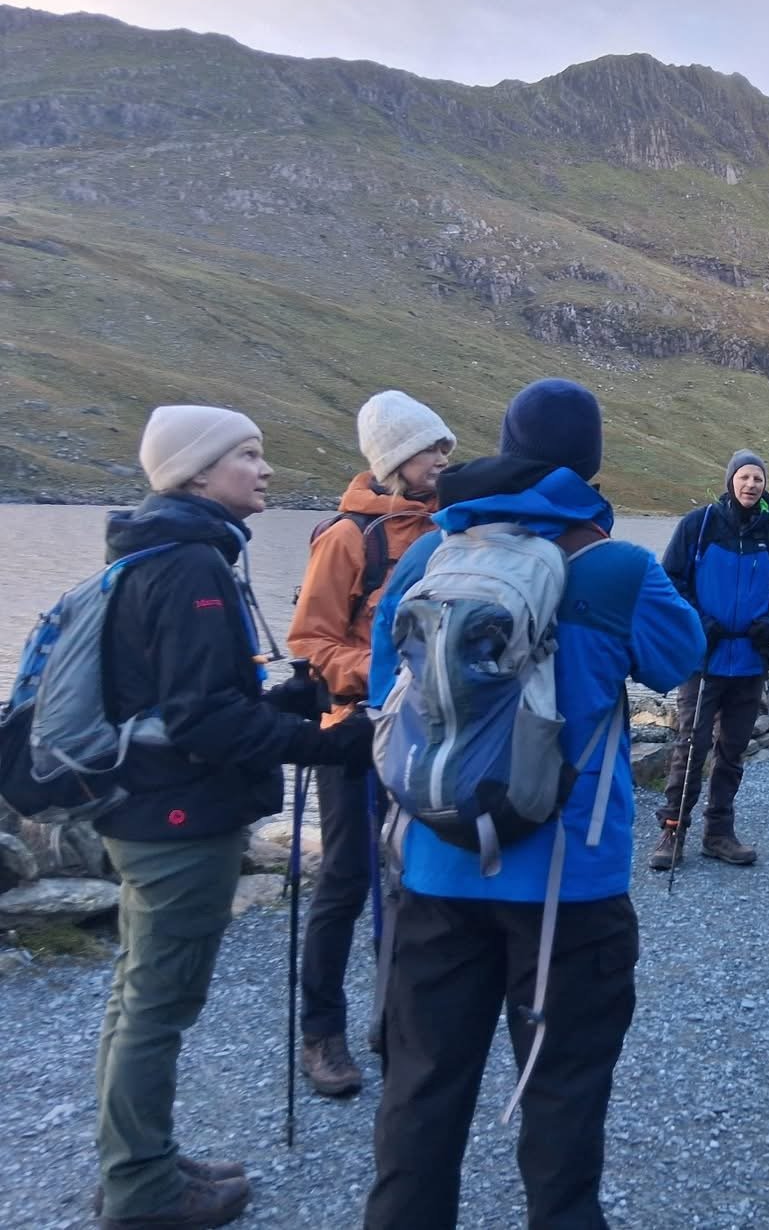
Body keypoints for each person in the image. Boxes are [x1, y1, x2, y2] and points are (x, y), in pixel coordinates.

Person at [362, 378, 704, 1230]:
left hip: (434, 865)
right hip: (568, 884)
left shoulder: (430, 555)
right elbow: (678, 657)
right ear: (589, 461)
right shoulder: (616, 566)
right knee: (563, 1098)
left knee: (419, 1091)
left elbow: (383, 690)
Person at [93, 406, 374, 1230]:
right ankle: (142, 1191)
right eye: (247, 455)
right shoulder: (191, 565)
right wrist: (329, 742)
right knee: (158, 1004)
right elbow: (201, 722)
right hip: (177, 818)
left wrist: (286, 699)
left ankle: (137, 1159)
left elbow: (189, 698)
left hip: (144, 805)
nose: (264, 470)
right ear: (196, 471)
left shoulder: (164, 552)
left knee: (137, 995)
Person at [287, 390, 455, 1098]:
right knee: (347, 878)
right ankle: (321, 1032)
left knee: (413, 877)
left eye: (443, 446)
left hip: (419, 732)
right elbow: (310, 643)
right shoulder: (348, 536)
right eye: (426, 449)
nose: (441, 459)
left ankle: (398, 1018)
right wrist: (388, 672)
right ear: (393, 460)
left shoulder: (450, 528)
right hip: (355, 732)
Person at [649, 449, 769, 870]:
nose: (751, 484)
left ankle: (718, 833)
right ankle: (672, 830)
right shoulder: (699, 526)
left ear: (765, 485)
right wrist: (699, 621)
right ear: (731, 480)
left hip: (750, 658)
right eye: (745, 477)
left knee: (732, 750)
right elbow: (670, 582)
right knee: (691, 745)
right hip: (704, 657)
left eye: (758, 479)